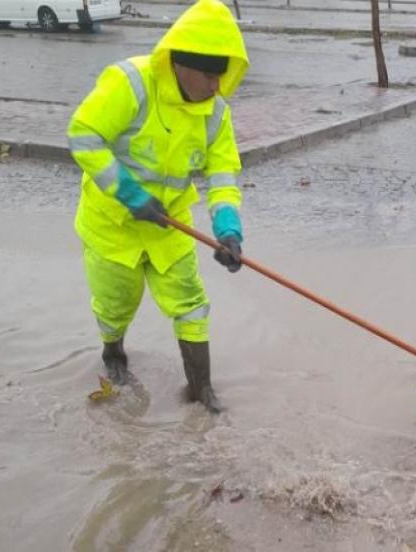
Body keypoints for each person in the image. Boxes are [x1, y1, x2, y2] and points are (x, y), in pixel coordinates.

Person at [67, 0, 249, 413]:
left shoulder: (215, 114)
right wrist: (130, 195)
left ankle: (201, 389)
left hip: (170, 226)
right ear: (182, 65)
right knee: (114, 306)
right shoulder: (130, 83)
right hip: (112, 226)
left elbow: (222, 176)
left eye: (222, 77)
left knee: (191, 305)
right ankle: (114, 357)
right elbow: (83, 136)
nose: (216, 86)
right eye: (209, 75)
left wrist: (228, 229)